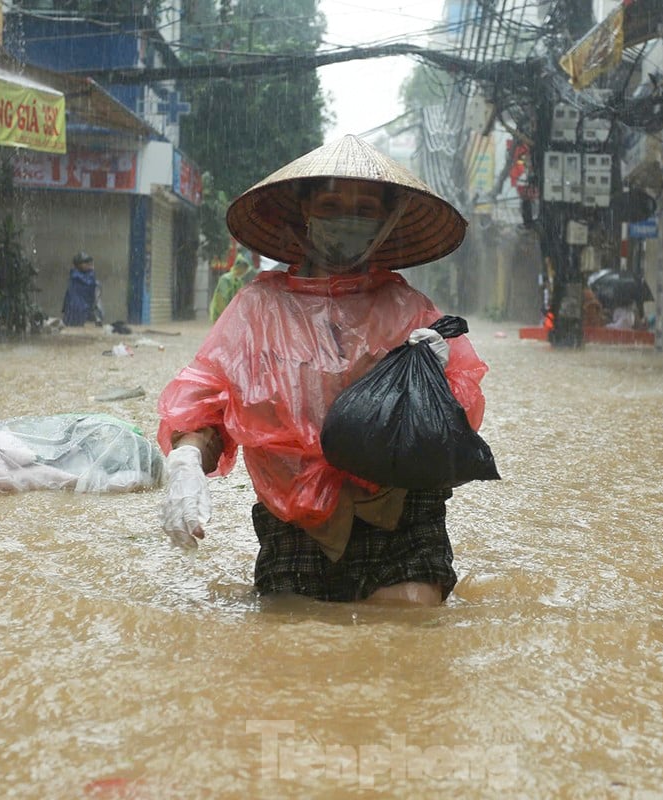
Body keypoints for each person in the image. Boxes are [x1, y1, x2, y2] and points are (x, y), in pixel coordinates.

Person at [155, 135, 490, 606]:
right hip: (294, 526)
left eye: (365, 208)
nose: (347, 220)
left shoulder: (410, 310)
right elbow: (207, 402)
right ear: (304, 214)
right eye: (331, 204)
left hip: (401, 517)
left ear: (385, 222)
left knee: (410, 619)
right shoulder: (257, 309)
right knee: (290, 632)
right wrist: (187, 462)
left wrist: (437, 383)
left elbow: (462, 418)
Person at [208, 250, 258, 322]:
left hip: (230, 317)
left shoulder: (239, 281)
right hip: (221, 316)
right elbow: (220, 299)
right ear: (240, 267)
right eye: (244, 268)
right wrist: (225, 317)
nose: (245, 271)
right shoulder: (226, 279)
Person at [62, 251, 103, 326]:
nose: (89, 264)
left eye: (89, 262)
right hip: (76, 308)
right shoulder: (75, 275)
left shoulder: (90, 275)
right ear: (79, 264)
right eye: (85, 262)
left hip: (87, 308)